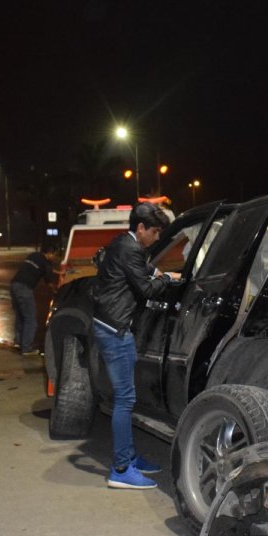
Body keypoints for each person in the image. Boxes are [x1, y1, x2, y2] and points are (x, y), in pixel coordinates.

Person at [91, 202, 180, 490]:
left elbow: (140, 267)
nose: (157, 238)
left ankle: (128, 456)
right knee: (125, 400)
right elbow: (146, 289)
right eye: (154, 232)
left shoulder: (124, 243)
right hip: (115, 331)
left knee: (127, 399)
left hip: (111, 326)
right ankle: (120, 469)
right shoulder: (130, 248)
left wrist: (156, 271)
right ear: (140, 228)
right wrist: (167, 278)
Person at [10, 240, 61, 356]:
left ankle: (18, 342)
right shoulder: (47, 263)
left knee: (20, 316)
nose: (54, 257)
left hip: (14, 285)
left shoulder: (33, 255)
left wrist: (57, 272)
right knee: (31, 319)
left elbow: (38, 268)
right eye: (54, 255)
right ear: (50, 253)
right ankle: (26, 348)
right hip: (25, 288)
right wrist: (56, 290)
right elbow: (48, 280)